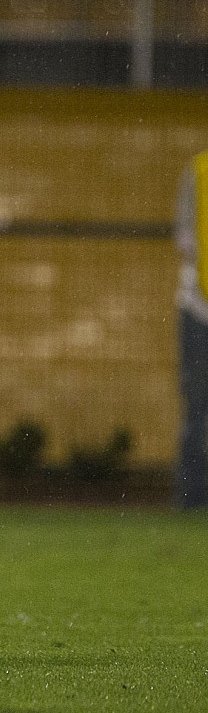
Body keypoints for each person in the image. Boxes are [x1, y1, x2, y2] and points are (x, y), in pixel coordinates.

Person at [174, 151, 208, 509]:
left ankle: (191, 497)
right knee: (196, 406)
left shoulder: (197, 170)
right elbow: (185, 239)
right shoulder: (198, 172)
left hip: (196, 304)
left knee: (196, 407)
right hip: (198, 306)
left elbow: (184, 239)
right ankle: (191, 497)